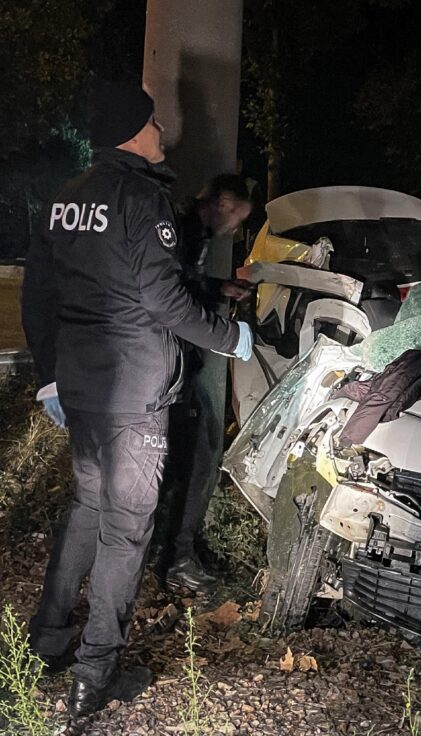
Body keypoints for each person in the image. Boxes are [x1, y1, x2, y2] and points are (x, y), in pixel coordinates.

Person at [20, 79, 254, 718]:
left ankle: (46, 641)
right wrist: (230, 336)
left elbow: (37, 298)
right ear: (131, 130)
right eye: (153, 124)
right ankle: (94, 677)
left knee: (86, 509)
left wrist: (50, 378)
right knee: (126, 530)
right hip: (132, 394)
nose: (161, 134)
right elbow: (163, 300)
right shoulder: (140, 200)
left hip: (81, 388)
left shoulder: (64, 201)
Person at [160, 174, 253, 594]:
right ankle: (176, 557)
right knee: (202, 454)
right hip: (171, 363)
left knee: (189, 456)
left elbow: (186, 285)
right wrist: (228, 336)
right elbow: (172, 298)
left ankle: (166, 551)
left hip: (173, 363)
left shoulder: (189, 230)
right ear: (224, 202)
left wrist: (219, 288)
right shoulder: (182, 231)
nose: (234, 230)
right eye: (236, 218)